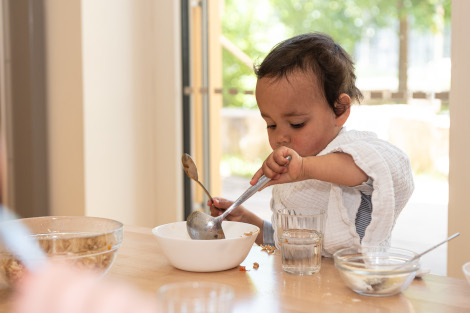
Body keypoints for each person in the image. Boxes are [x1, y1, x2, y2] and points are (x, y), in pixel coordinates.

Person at [209, 32, 414, 256]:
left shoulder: (353, 151)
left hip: (353, 286)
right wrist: (247, 222)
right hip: (301, 288)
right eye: (271, 124)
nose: (280, 138)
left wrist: (306, 168)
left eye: (296, 124)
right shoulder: (293, 170)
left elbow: (384, 167)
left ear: (339, 109)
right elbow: (287, 245)